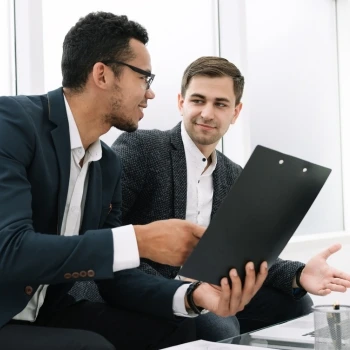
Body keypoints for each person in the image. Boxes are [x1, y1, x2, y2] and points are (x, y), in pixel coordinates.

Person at [0, 15, 270, 350]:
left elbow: (116, 276)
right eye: (144, 78)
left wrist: (194, 296)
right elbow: (9, 251)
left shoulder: (107, 163)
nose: (151, 92)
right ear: (103, 74)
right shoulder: (11, 123)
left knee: (183, 330)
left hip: (49, 311)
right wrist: (138, 240)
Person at [111, 56, 350, 340]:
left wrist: (299, 275)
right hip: (150, 287)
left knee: (297, 303)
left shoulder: (231, 173)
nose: (207, 113)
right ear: (181, 103)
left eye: (220, 104)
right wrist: (187, 292)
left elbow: (245, 253)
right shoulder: (142, 148)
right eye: (198, 100)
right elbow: (107, 235)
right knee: (218, 325)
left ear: (235, 113)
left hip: (213, 285)